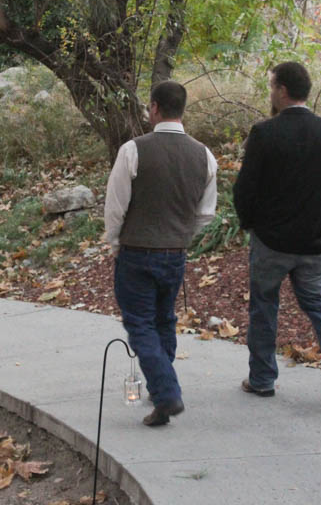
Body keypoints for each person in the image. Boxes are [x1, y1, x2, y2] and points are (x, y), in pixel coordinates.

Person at [233, 61, 321, 408]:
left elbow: (245, 189)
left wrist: (250, 223)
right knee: (319, 303)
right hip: (313, 241)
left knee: (263, 307)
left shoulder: (264, 133)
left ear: (283, 91)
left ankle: (261, 379)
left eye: (272, 86)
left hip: (271, 240)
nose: (270, 92)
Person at [105, 80, 218, 426]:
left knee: (140, 324)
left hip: (137, 252)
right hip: (175, 252)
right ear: (182, 109)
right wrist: (181, 235)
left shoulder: (133, 150)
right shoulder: (205, 155)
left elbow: (116, 206)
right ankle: (160, 391)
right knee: (164, 319)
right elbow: (205, 213)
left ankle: (167, 392)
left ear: (154, 108)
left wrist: (113, 242)